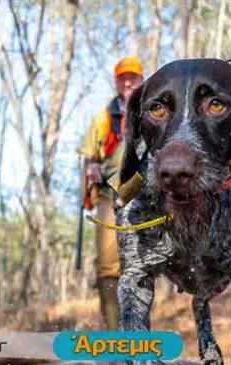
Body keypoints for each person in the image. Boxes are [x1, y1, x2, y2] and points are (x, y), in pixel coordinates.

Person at [78, 56, 144, 331]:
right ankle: (115, 332)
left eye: (133, 78)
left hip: (146, 192)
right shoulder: (102, 118)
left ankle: (140, 328)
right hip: (111, 194)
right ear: (116, 82)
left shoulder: (154, 110)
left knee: (147, 264)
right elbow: (89, 157)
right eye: (123, 78)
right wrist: (91, 168)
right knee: (107, 265)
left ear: (141, 80)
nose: (128, 83)